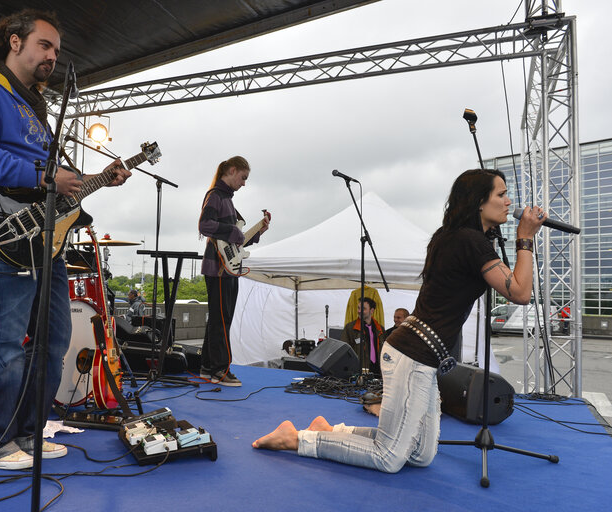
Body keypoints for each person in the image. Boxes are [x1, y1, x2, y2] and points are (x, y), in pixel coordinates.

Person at [253, 168, 545, 473]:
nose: (509, 201)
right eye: (501, 194)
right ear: (479, 202)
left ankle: (332, 431)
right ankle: (297, 439)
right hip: (412, 356)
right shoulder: (469, 241)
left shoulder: (455, 238)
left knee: (421, 454)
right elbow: (520, 292)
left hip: (421, 356)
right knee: (389, 457)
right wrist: (525, 238)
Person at [0, 9, 131, 470]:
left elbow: (54, 179)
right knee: (6, 340)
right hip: (5, 230)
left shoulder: (35, 105)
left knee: (52, 340)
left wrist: (95, 180)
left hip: (45, 237)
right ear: (15, 42)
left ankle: (29, 433)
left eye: (57, 49)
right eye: (45, 45)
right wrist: (47, 173)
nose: (54, 55)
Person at [198, 156, 269, 386]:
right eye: (243, 177)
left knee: (219, 319)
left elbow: (235, 242)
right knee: (221, 319)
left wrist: (258, 232)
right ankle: (220, 370)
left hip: (226, 267)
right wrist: (233, 232)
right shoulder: (215, 196)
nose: (244, 183)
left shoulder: (227, 199)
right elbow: (204, 225)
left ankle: (208, 368)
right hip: (218, 268)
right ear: (231, 170)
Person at [341, 297, 385, 376]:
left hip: (378, 373)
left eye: (363, 309)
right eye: (358, 308)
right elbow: (344, 352)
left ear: (372, 311)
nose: (359, 311)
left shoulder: (380, 329)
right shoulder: (350, 328)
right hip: (359, 373)